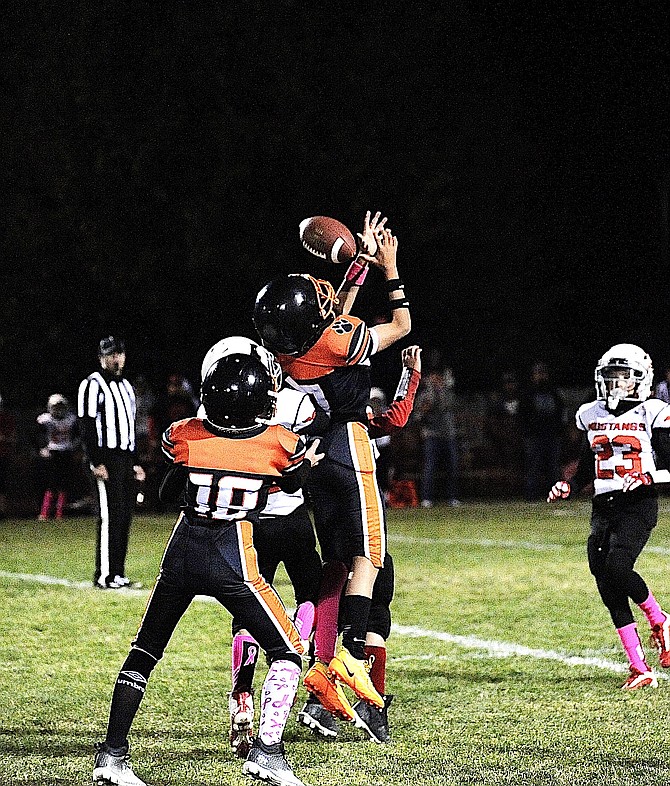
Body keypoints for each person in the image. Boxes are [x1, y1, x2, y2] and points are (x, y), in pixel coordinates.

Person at [92, 347, 323, 786]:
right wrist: (306, 463)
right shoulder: (278, 443)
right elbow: (293, 479)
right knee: (290, 650)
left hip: (182, 549)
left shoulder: (186, 434)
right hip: (231, 554)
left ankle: (112, 755)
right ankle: (268, 754)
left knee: (145, 650)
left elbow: (169, 490)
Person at [253, 216, 411, 724]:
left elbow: (330, 317)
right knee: (372, 557)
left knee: (338, 565)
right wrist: (387, 268)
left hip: (314, 457)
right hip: (349, 444)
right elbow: (400, 325)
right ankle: (348, 660)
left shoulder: (287, 350)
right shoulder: (339, 342)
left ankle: (328, 680)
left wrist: (355, 264)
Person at [197, 336, 327, 759]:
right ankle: (295, 650)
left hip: (248, 522)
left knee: (248, 610)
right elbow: (319, 431)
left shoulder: (211, 409)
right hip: (291, 517)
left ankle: (241, 691)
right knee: (311, 592)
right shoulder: (297, 404)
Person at [297, 345, 422, 744]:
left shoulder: (299, 390)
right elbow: (394, 417)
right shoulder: (346, 399)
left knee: (335, 573)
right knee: (375, 576)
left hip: (316, 476)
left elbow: (391, 417)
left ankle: (321, 696)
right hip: (349, 474)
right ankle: (366, 697)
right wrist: (410, 375)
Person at [547, 343, 670, 690]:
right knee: (606, 582)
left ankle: (659, 619)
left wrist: (648, 477)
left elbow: (669, 461)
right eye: (610, 375)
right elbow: (591, 461)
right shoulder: (590, 413)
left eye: (623, 375)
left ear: (640, 379)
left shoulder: (653, 411)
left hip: (639, 502)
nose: (616, 382)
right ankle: (638, 667)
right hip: (603, 505)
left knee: (618, 567)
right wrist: (570, 485)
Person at [77, 336, 146, 589]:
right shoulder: (91, 384)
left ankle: (118, 573)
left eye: (118, 354)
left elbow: (130, 427)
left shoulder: (127, 386)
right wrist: (95, 461)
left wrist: (136, 462)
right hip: (105, 457)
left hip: (125, 458)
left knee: (124, 516)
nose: (115, 359)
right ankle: (105, 575)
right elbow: (86, 424)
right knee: (109, 516)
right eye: (110, 355)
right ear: (101, 358)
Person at [415, 359, 461, 507]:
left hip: (449, 434)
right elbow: (418, 415)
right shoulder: (424, 394)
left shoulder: (448, 392)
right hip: (432, 434)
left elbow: (450, 406)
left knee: (452, 467)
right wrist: (426, 406)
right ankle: (427, 498)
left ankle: (453, 497)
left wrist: (442, 391)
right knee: (430, 467)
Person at [520, 361, 565, 501]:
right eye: (538, 373)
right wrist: (527, 432)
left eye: (543, 373)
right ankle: (531, 496)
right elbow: (522, 416)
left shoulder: (554, 393)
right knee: (533, 467)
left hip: (552, 436)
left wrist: (559, 431)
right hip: (534, 437)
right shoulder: (527, 394)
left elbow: (561, 412)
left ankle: (555, 495)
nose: (541, 377)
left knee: (553, 467)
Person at [35, 394, 79, 521]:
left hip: (66, 452)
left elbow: (78, 436)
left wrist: (75, 447)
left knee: (64, 484)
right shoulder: (45, 420)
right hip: (52, 452)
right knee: (50, 483)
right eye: (56, 407)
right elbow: (36, 436)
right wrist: (42, 448)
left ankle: (60, 513)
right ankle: (45, 512)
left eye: (61, 407)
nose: (58, 410)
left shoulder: (71, 419)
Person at [0, 392, 17, 518]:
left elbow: (12, 438)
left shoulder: (6, 419)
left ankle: (2, 511)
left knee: (2, 484)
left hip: (3, 454)